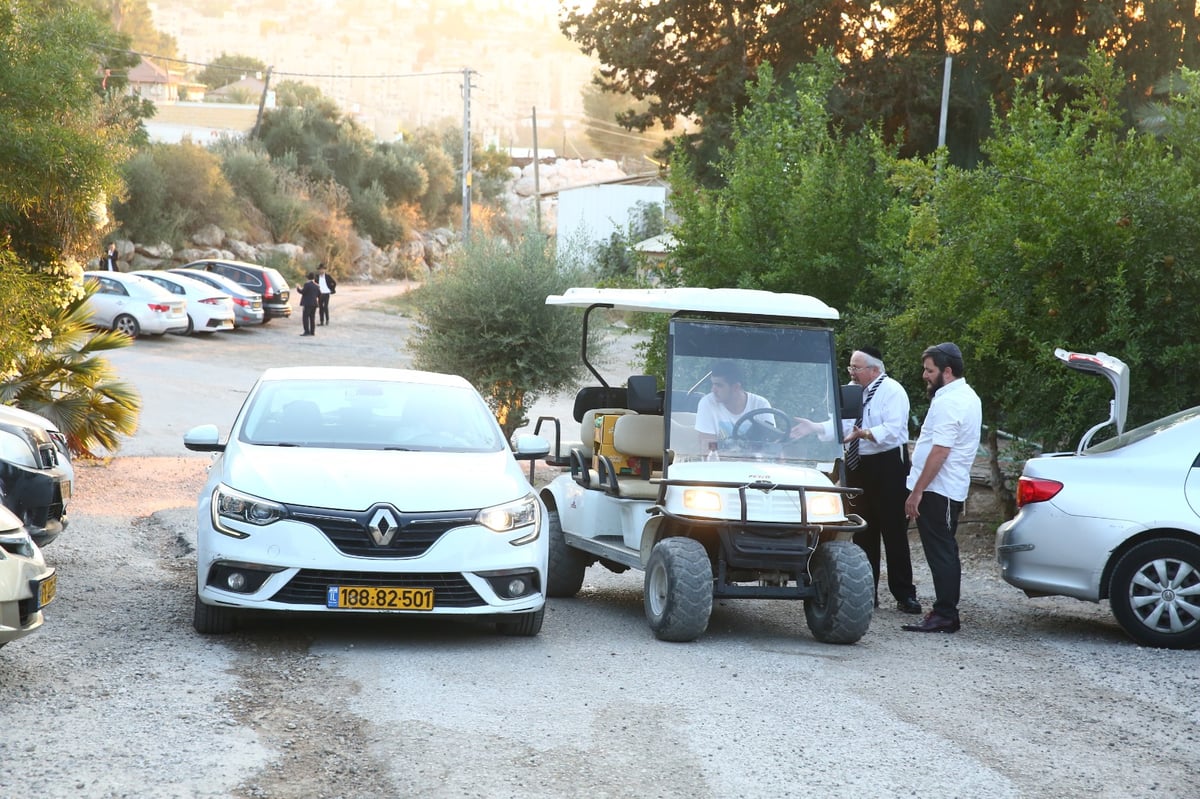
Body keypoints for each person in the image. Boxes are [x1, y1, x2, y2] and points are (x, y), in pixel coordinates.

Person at [901, 342, 982, 634]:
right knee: (942, 550)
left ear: (947, 371)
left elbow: (941, 450)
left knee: (942, 551)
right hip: (941, 488)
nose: (924, 375)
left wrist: (917, 491)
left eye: (929, 370)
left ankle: (946, 613)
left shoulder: (951, 401)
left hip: (939, 489)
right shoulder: (960, 395)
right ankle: (945, 612)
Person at [840, 348, 922, 614]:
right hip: (857, 464)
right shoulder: (851, 392)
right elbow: (840, 426)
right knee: (863, 531)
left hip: (887, 464)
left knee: (893, 531)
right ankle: (867, 592)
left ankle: (904, 594)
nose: (851, 372)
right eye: (850, 367)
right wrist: (815, 428)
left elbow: (894, 430)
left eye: (857, 367)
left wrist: (863, 433)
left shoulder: (892, 391)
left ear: (874, 370)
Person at [694, 360, 772, 448]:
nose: (713, 390)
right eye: (713, 384)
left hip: (754, 462)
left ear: (736, 387)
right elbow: (708, 449)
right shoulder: (707, 403)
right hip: (719, 462)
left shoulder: (761, 405)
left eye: (719, 385)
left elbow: (771, 445)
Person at [298, 272, 320, 336]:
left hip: (307, 304)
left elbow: (302, 292)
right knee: (312, 318)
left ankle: (306, 331)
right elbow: (319, 294)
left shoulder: (307, 284)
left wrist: (298, 288)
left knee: (305, 317)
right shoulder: (316, 285)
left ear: (308, 278)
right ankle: (312, 332)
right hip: (314, 304)